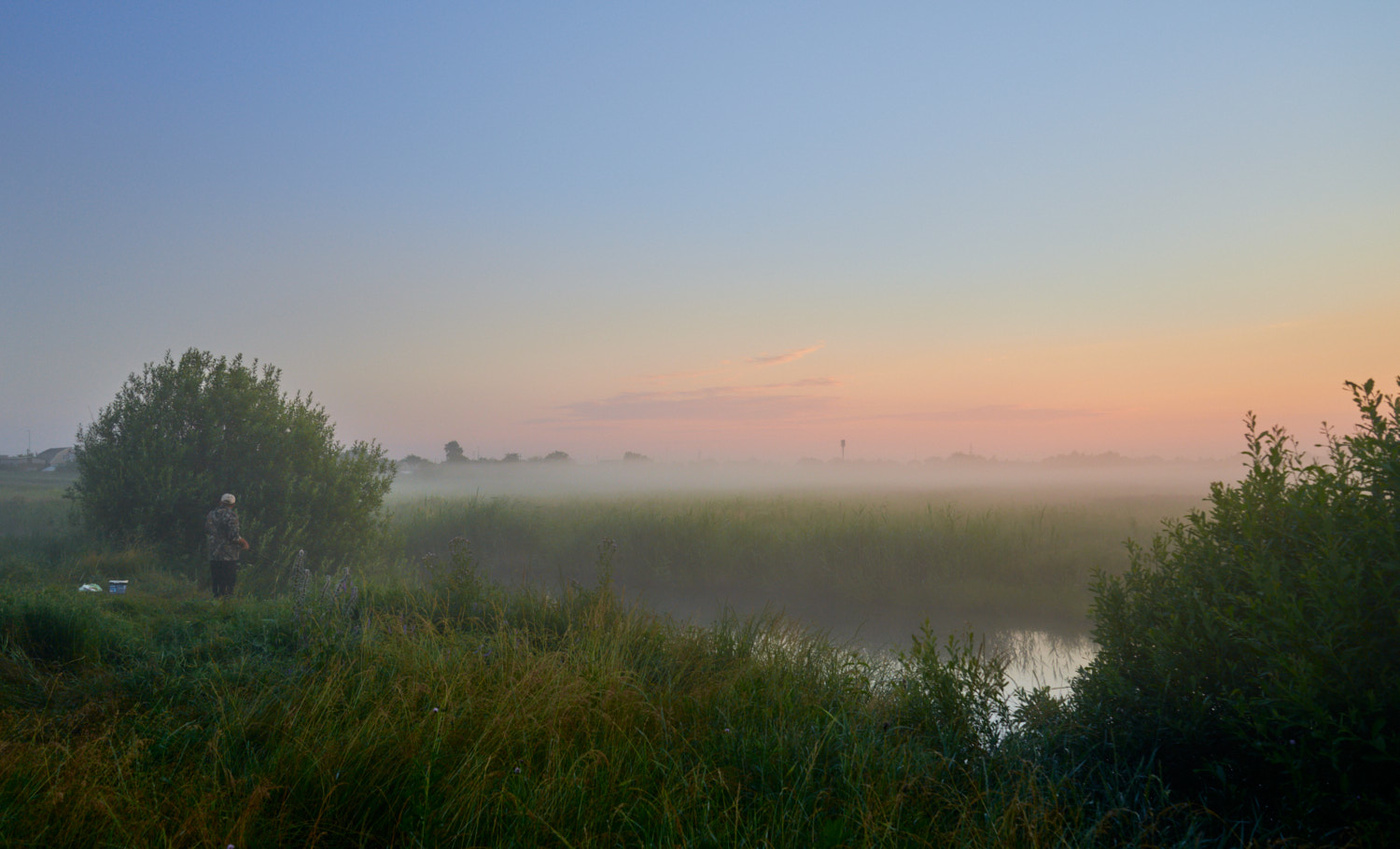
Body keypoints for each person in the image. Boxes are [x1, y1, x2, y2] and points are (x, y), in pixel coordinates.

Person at [205, 493, 249, 597]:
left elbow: (207, 530)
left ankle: (216, 601)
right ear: (233, 505)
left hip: (214, 553)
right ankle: (226, 603)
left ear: (221, 502)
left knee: (216, 580)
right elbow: (233, 537)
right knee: (228, 582)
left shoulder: (211, 514)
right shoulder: (232, 515)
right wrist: (244, 543)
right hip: (228, 556)